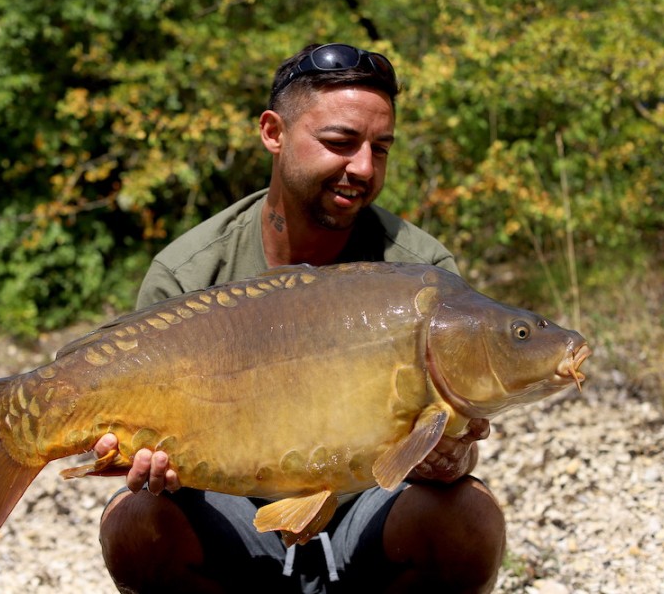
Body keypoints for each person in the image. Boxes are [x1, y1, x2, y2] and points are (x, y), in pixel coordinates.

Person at [92, 43, 506, 593]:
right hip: (235, 524)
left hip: (374, 524)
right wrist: (148, 469)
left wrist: (453, 457)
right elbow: (146, 458)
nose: (362, 166)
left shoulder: (420, 271)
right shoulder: (190, 271)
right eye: (340, 142)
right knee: (135, 523)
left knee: (468, 518)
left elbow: (454, 437)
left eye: (380, 149)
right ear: (273, 132)